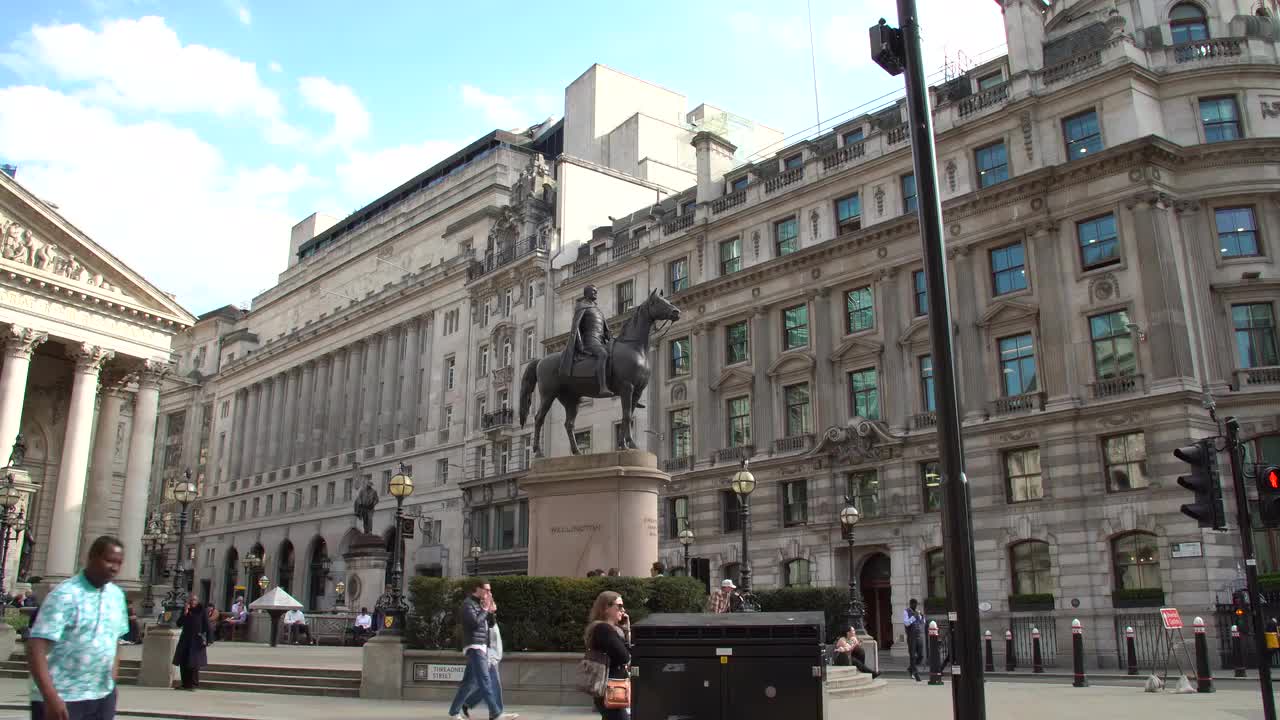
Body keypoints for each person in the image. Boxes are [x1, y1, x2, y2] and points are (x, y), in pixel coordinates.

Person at [27, 535, 129, 720]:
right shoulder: (65, 594)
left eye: (119, 563)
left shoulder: (117, 596)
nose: (114, 567)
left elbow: (115, 641)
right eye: (109, 560)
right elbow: (36, 647)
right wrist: (50, 697)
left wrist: (112, 682)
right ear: (92, 557)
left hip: (101, 696)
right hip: (63, 696)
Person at [447, 579, 516, 720]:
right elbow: (473, 623)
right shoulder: (467, 604)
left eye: (490, 590)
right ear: (477, 589)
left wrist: (491, 611)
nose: (489, 592)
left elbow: (490, 625)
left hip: (482, 647)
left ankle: (454, 712)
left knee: (468, 683)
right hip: (474, 646)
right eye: (486, 589)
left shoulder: (480, 604)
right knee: (485, 681)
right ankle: (496, 713)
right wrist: (485, 609)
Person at [459, 587, 505, 719]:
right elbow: (484, 634)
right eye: (487, 593)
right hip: (487, 653)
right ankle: (496, 712)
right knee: (493, 683)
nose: (491, 597)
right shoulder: (481, 612)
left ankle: (468, 703)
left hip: (492, 653)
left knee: (485, 683)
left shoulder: (489, 612)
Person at [585, 590, 631, 720]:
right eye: (619, 606)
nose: (623, 610)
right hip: (610, 689)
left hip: (612, 689)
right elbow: (624, 656)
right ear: (606, 608)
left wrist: (625, 630)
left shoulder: (610, 630)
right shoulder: (603, 629)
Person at [172, 594, 214, 690]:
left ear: (197, 601)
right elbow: (178, 623)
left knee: (194, 663)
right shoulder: (186, 611)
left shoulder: (201, 610)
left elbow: (207, 625)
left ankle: (193, 684)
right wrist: (185, 613)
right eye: (190, 600)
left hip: (196, 640)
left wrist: (209, 639)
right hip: (185, 639)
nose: (192, 602)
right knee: (183, 661)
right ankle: (184, 684)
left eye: (194, 600)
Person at [904, 598, 925, 682]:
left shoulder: (918, 612)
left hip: (918, 635)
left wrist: (922, 617)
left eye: (916, 604)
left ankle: (911, 667)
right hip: (911, 636)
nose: (915, 606)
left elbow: (922, 622)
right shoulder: (906, 611)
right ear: (910, 604)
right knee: (912, 656)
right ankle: (915, 674)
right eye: (913, 604)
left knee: (921, 655)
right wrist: (913, 617)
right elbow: (906, 623)